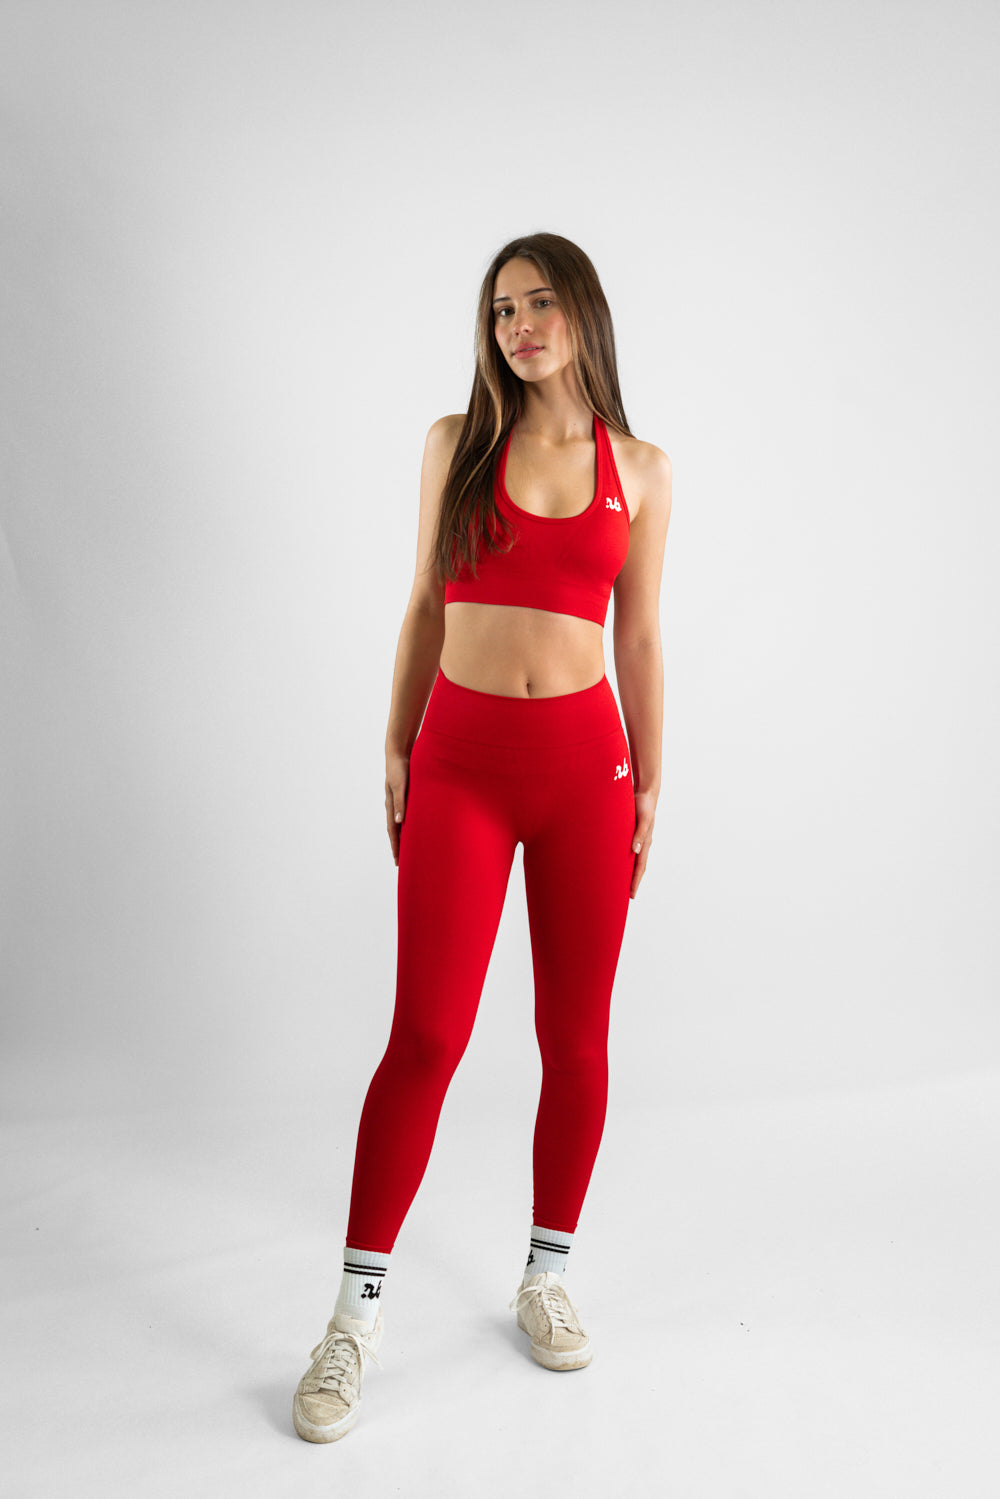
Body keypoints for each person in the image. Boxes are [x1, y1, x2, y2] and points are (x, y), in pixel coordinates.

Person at [292, 232, 672, 1443]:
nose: (517, 326)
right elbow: (421, 600)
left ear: (584, 314)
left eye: (539, 302)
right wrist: (395, 743)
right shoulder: (454, 444)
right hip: (459, 765)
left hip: (585, 775)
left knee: (576, 1038)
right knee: (426, 1034)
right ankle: (351, 1318)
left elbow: (638, 634)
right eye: (501, 309)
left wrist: (650, 778)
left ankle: (545, 1273)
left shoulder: (641, 470)